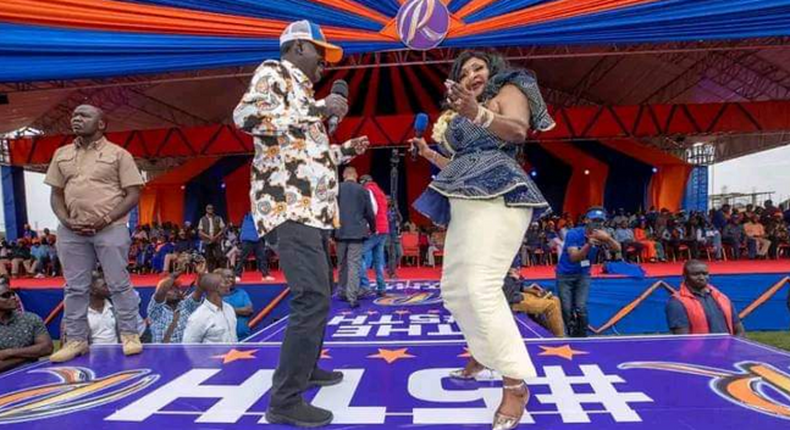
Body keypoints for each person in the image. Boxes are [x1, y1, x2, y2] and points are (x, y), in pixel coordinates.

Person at [233, 19, 369, 427]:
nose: (324, 66)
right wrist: (319, 108)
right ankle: (285, 400)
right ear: (297, 48)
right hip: (288, 209)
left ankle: (308, 369)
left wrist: (343, 149)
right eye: (320, 54)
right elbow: (246, 117)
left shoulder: (304, 97)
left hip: (312, 212)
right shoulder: (273, 73)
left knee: (322, 291)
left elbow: (309, 157)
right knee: (311, 296)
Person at [410, 50, 555, 430]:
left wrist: (477, 112)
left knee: (481, 287)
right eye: (464, 71)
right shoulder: (460, 114)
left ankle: (514, 383)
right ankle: (482, 352)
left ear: (492, 69)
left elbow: (518, 130)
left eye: (478, 67)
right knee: (454, 290)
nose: (471, 74)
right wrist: (428, 153)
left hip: (502, 194)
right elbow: (461, 164)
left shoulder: (511, 87)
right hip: (464, 199)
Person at [45, 104, 145, 362]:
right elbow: (56, 194)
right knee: (75, 288)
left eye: (84, 116)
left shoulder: (119, 154)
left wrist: (107, 218)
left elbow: (133, 193)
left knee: (118, 283)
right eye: (74, 115)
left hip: (110, 228)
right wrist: (65, 220)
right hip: (72, 230)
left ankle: (129, 334)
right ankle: (76, 340)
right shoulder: (61, 154)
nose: (76, 119)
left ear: (101, 124)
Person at [556, 207, 621, 338]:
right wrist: (588, 245)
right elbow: (574, 257)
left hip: (583, 275)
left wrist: (608, 239)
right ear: (586, 220)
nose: (598, 224)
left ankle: (582, 335)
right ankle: (567, 333)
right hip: (565, 275)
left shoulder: (602, 234)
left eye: (600, 221)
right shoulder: (574, 233)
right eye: (595, 220)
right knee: (566, 308)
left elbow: (617, 249)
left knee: (581, 306)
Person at [666, 260, 745, 335]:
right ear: (685, 276)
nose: (701, 278)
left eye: (705, 274)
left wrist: (732, 348)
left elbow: (739, 331)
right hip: (700, 349)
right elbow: (683, 339)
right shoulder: (677, 302)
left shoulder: (722, 298)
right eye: (696, 274)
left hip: (727, 348)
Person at [335, 167, 376, 308]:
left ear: (344, 175)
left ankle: (341, 291)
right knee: (354, 264)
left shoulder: (336, 189)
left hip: (340, 232)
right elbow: (369, 212)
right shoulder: (363, 190)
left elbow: (330, 211)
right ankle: (352, 296)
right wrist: (373, 228)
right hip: (357, 233)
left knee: (342, 263)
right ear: (356, 175)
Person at [0, 279, 54, 372]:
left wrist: (9, 353)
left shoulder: (31, 319)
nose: (13, 297)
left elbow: (47, 348)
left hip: (34, 378)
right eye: (6, 296)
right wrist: (31, 355)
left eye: (13, 294)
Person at [147, 269, 205, 344]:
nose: (173, 291)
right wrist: (175, 274)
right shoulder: (156, 310)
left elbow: (199, 290)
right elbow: (160, 291)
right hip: (162, 354)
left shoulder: (187, 306)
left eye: (176, 288)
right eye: (169, 289)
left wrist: (201, 273)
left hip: (184, 354)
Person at [183, 272, 237, 344]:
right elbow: (188, 346)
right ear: (215, 288)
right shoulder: (198, 317)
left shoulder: (229, 309)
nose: (229, 284)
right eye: (225, 283)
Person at [358, 175, 389, 295]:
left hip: (375, 228)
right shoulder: (379, 191)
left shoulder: (368, 190)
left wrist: (369, 227)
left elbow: (372, 210)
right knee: (378, 259)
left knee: (358, 254)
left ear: (363, 182)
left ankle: (365, 285)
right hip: (384, 228)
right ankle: (381, 288)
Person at [234, 212, 274, 282]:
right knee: (243, 258)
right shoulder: (248, 216)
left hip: (258, 239)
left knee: (262, 257)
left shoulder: (260, 216)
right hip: (248, 239)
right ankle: (237, 275)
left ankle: (265, 275)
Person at [218, 268, 254, 340]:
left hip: (245, 338)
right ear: (221, 279)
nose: (231, 279)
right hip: (224, 341)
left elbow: (249, 310)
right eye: (228, 277)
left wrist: (229, 310)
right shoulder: (217, 295)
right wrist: (241, 311)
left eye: (233, 277)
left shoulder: (242, 293)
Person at [198, 204, 226, 272]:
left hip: (216, 240)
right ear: (206, 210)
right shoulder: (202, 219)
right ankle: (211, 272)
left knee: (220, 256)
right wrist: (208, 237)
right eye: (209, 209)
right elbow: (200, 231)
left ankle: (223, 271)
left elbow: (222, 229)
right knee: (209, 257)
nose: (210, 210)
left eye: (211, 209)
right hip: (207, 240)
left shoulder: (218, 218)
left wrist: (216, 236)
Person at [385, 197, 403, 278]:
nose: (389, 201)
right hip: (387, 235)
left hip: (395, 235)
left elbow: (401, 219)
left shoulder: (393, 210)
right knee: (392, 255)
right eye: (387, 200)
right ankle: (392, 273)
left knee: (400, 254)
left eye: (390, 200)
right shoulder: (383, 210)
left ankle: (390, 269)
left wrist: (397, 210)